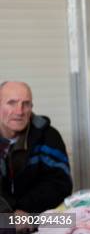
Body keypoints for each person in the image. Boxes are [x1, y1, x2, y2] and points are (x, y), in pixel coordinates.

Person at [0, 81, 72, 214]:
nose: (19, 111)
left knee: (68, 220)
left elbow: (61, 184)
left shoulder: (49, 136)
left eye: (26, 104)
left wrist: (24, 209)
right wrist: (9, 215)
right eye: (12, 103)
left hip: (37, 216)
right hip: (3, 217)